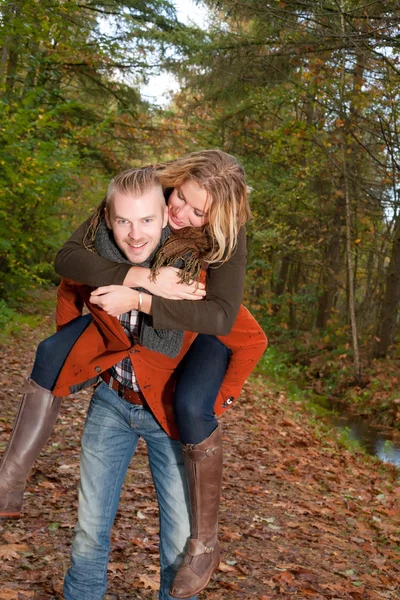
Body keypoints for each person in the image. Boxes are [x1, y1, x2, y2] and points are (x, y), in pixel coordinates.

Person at [0, 153, 266, 598]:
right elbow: (69, 263)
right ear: (174, 182)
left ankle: (207, 543)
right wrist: (140, 277)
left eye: (198, 212)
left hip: (171, 411)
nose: (180, 213)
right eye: (180, 197)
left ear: (218, 218)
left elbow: (226, 322)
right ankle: (10, 479)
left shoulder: (221, 244)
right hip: (114, 398)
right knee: (88, 535)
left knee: (178, 550)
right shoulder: (137, 203)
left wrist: (143, 300)